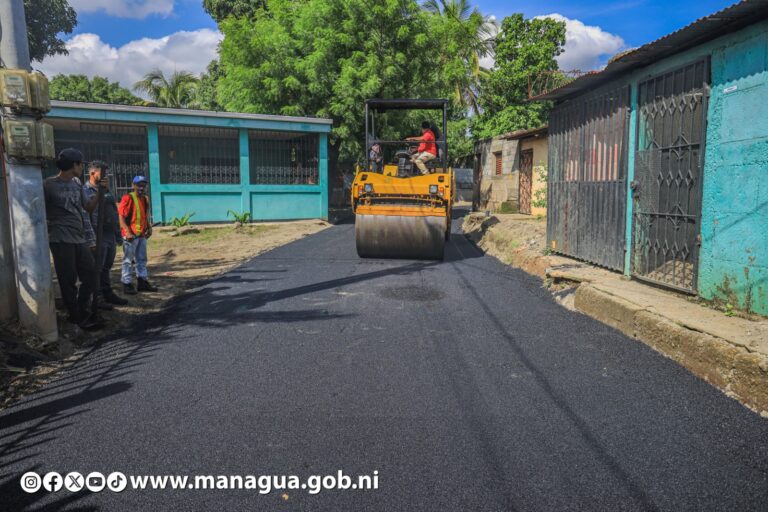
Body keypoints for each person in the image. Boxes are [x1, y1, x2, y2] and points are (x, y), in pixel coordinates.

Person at [44, 148, 103, 330]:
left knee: (92, 273)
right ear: (74, 164)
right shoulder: (48, 185)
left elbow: (88, 207)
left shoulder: (77, 183)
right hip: (61, 240)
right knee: (67, 279)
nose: (82, 167)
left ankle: (82, 307)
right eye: (80, 164)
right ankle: (75, 316)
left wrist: (100, 192)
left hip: (79, 239)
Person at [83, 161, 128, 308]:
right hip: (97, 234)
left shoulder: (106, 190)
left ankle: (107, 293)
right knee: (97, 267)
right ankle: (97, 298)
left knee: (106, 266)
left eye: (106, 173)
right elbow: (86, 216)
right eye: (101, 173)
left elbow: (113, 212)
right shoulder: (86, 190)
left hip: (109, 234)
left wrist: (117, 234)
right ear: (92, 174)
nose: (105, 176)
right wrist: (91, 240)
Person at [118, 176, 158, 294]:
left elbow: (145, 216)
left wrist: (149, 227)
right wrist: (128, 231)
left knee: (141, 259)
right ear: (133, 185)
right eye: (139, 185)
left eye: (143, 185)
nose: (141, 187)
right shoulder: (128, 198)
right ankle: (127, 283)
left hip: (141, 234)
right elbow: (121, 217)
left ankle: (142, 281)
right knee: (128, 260)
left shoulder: (145, 199)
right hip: (130, 235)